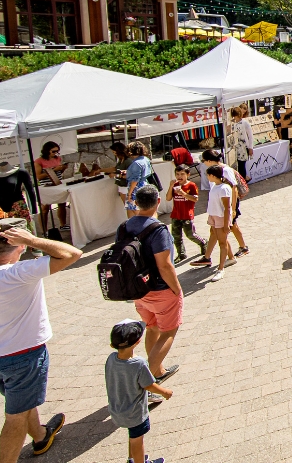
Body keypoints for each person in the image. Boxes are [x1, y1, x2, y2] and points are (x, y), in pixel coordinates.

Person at [0, 219, 81, 463]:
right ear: (19, 245)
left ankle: (41, 436)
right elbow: (72, 254)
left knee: (20, 402)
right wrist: (31, 240)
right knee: (15, 416)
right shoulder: (17, 273)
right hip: (24, 357)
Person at [123, 185, 183, 384]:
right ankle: (145, 381)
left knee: (152, 328)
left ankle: (158, 371)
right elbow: (165, 265)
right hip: (160, 288)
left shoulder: (124, 226)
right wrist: (176, 288)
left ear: (136, 203)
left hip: (138, 289)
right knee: (168, 332)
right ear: (158, 202)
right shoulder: (158, 229)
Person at [106, 320, 172, 463]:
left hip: (117, 408)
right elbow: (149, 385)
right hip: (134, 412)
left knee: (132, 436)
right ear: (137, 342)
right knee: (137, 442)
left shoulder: (111, 359)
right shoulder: (139, 364)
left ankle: (132, 459)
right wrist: (164, 392)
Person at [197, 150, 248, 259]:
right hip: (219, 204)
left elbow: (234, 189)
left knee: (232, 225)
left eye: (204, 161)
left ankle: (242, 247)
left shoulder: (225, 170)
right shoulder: (213, 170)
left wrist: (233, 208)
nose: (203, 163)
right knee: (216, 230)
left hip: (228, 203)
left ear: (209, 161)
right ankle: (207, 257)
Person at [165, 167, 206, 262]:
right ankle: (181, 254)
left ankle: (203, 242)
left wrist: (183, 194)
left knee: (191, 234)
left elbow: (195, 199)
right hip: (175, 215)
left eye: (182, 174)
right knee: (176, 236)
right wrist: (171, 186)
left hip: (187, 215)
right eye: (177, 174)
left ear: (188, 175)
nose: (179, 176)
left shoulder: (191, 185)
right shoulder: (174, 185)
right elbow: (168, 198)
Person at [203, 166, 235, 281]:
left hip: (221, 218)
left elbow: (227, 207)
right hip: (214, 216)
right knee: (222, 239)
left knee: (222, 243)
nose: (207, 177)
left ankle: (221, 269)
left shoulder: (224, 188)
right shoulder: (215, 186)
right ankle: (231, 257)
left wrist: (226, 224)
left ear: (212, 175)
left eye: (208, 175)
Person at [124, 142, 153, 212]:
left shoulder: (136, 163)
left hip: (136, 189)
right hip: (144, 185)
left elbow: (135, 180)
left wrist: (129, 194)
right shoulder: (145, 159)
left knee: (137, 211)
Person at [230, 106, 255, 180]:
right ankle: (242, 180)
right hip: (236, 148)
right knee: (237, 165)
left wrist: (251, 147)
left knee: (241, 165)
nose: (235, 117)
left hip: (243, 147)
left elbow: (250, 136)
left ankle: (244, 181)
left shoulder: (245, 123)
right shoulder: (233, 124)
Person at [111, 142, 131, 207]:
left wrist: (116, 175)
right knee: (127, 206)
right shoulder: (121, 160)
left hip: (127, 186)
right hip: (122, 186)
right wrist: (100, 170)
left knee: (130, 207)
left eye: (114, 152)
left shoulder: (128, 161)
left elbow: (129, 175)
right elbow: (115, 168)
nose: (114, 154)